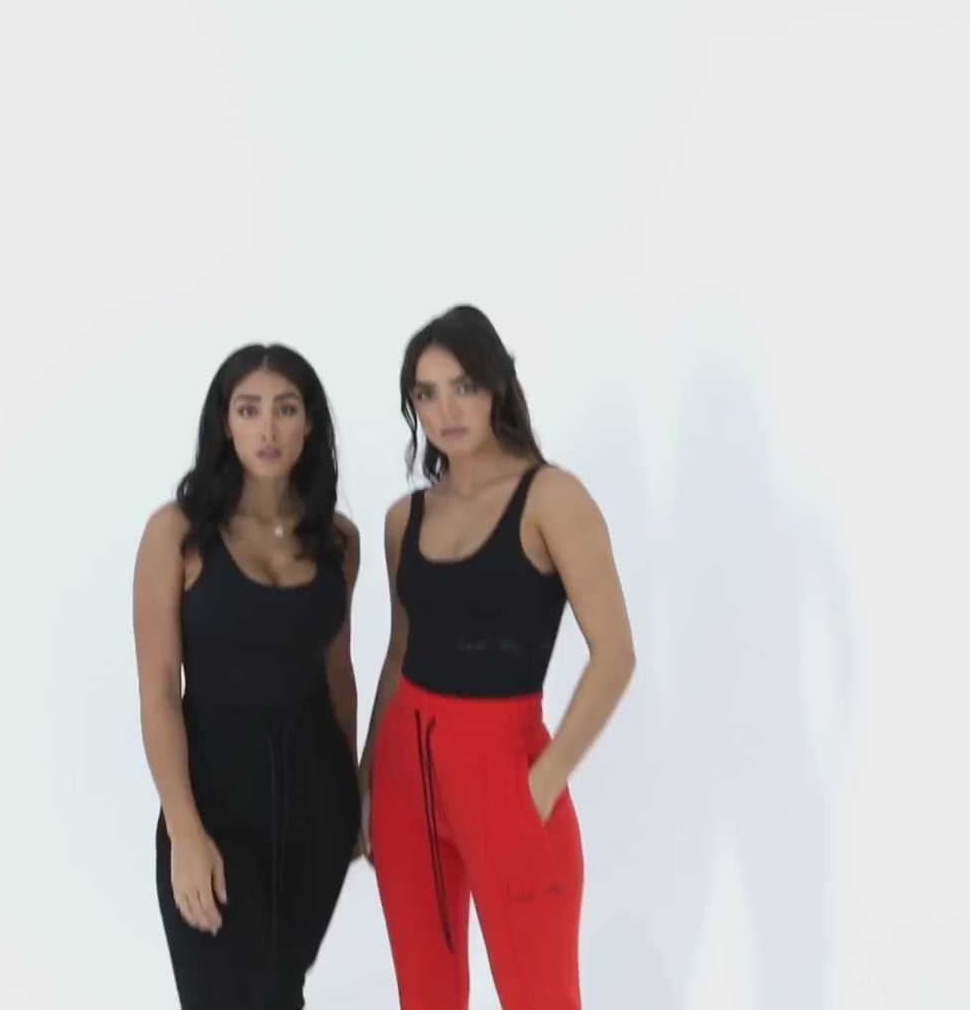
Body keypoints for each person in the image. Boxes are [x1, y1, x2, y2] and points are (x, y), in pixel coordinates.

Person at [358, 305, 637, 1010]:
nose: (446, 410)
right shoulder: (404, 518)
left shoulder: (553, 499)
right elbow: (400, 651)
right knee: (425, 997)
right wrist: (366, 781)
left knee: (539, 996)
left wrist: (544, 782)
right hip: (403, 779)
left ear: (498, 385)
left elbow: (615, 655)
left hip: (506, 771)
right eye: (426, 393)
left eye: (464, 386)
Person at [133, 343, 364, 1010]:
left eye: (285, 409)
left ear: (309, 423)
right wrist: (184, 832)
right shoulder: (177, 534)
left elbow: (338, 674)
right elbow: (158, 692)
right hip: (216, 805)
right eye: (249, 409)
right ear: (224, 423)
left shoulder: (337, 540)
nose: (267, 429)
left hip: (318, 807)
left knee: (280, 994)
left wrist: (354, 799)